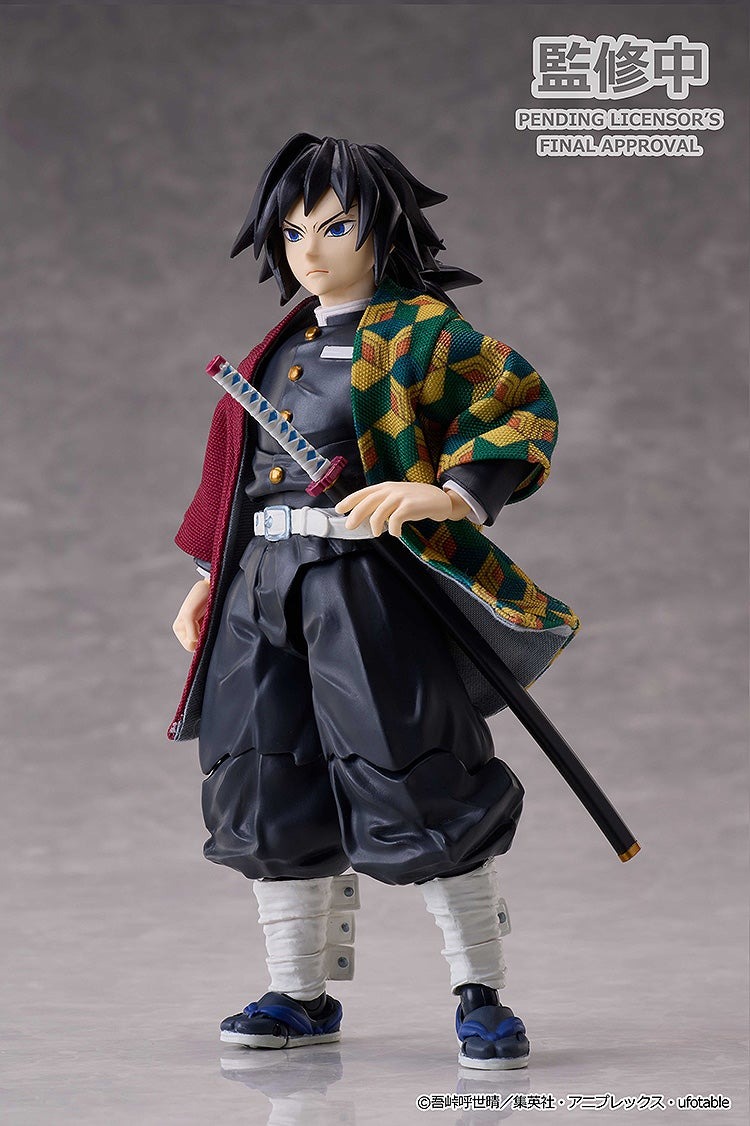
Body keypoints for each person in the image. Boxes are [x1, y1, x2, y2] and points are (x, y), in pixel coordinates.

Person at [170, 134, 579, 1069]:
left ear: (381, 230)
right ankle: (299, 991)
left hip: (364, 585)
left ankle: (480, 993)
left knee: (415, 770)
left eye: (333, 226)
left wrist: (449, 493)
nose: (309, 250)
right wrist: (207, 578)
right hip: (260, 587)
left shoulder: (420, 335)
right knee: (262, 775)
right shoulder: (275, 349)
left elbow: (517, 403)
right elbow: (239, 478)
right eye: (292, 231)